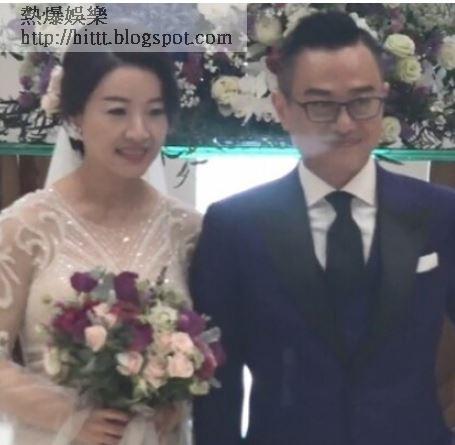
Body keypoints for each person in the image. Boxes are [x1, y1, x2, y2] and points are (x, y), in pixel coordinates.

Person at [190, 11, 455, 445]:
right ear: (283, 108)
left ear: (384, 98)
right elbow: (217, 382)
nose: (345, 123)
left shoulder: (441, 213)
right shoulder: (234, 226)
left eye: (362, 101)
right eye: (321, 104)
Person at [0, 47, 200, 445]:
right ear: (76, 115)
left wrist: (177, 399)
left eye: (155, 111)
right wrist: (70, 416)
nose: (139, 132)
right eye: (117, 111)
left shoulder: (189, 231)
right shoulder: (24, 228)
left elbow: (214, 349)